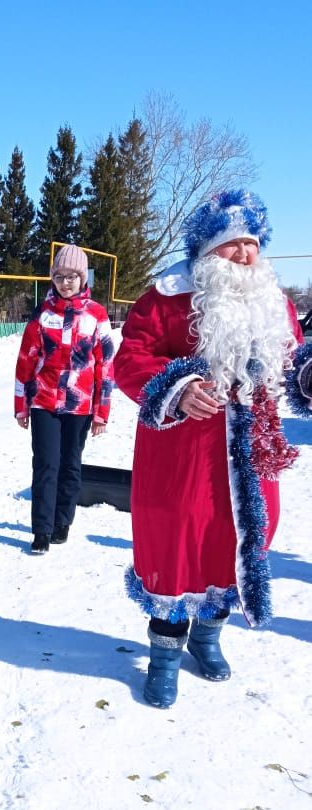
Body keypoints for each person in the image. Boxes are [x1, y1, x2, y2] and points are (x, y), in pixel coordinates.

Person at [114, 189, 312, 708]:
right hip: (181, 460)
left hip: (251, 460)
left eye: (252, 244)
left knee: (238, 545)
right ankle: (163, 657)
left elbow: (292, 361)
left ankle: (207, 639)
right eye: (232, 244)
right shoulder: (166, 298)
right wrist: (176, 389)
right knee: (174, 549)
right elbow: (131, 358)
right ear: (206, 251)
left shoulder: (277, 304)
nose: (246, 255)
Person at [14, 244, 115, 552]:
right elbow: (25, 361)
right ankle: (41, 530)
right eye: (60, 276)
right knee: (46, 463)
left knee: (70, 463)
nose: (66, 282)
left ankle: (62, 521)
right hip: (44, 402)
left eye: (72, 276)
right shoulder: (42, 315)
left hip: (80, 405)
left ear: (83, 278)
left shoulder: (96, 316)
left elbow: (106, 365)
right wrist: (21, 405)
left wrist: (102, 412)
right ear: (53, 278)